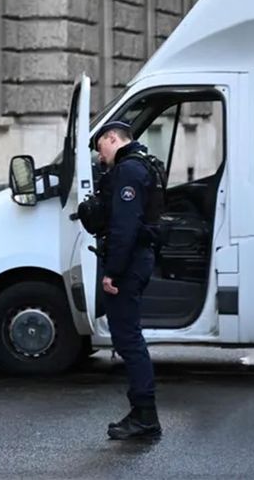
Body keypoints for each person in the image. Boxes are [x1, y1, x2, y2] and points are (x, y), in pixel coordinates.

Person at [92, 120, 164, 440]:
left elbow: (125, 227)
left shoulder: (129, 171)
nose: (99, 156)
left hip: (130, 262)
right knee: (129, 338)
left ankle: (145, 415)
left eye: (100, 148)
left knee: (129, 340)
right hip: (138, 259)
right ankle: (142, 412)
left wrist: (112, 272)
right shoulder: (144, 164)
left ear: (112, 139)